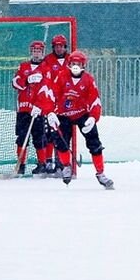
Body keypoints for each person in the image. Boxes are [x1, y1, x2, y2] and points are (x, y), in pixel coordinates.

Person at [42, 50, 114, 189]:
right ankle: (66, 166)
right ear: (69, 64)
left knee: (95, 143)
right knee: (61, 142)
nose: (76, 66)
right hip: (63, 115)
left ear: (83, 65)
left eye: (79, 64)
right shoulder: (61, 77)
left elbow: (95, 100)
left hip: (82, 114)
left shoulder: (88, 80)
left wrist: (93, 117)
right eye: (73, 63)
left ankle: (100, 173)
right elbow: (50, 95)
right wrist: (50, 113)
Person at [11, 41, 51, 177]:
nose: (36, 53)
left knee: (40, 138)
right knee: (22, 138)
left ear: (43, 52)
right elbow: (15, 83)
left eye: (39, 51)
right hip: (23, 109)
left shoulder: (46, 68)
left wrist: (40, 106)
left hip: (38, 110)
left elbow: (47, 89)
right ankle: (21, 165)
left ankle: (42, 164)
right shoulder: (23, 66)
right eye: (34, 50)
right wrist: (27, 80)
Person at [41, 34, 70, 175]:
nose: (59, 49)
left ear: (65, 47)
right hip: (51, 101)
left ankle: (62, 163)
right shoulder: (48, 60)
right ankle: (48, 162)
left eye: (61, 46)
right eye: (56, 46)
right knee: (49, 132)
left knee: (63, 133)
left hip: (67, 103)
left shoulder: (71, 60)